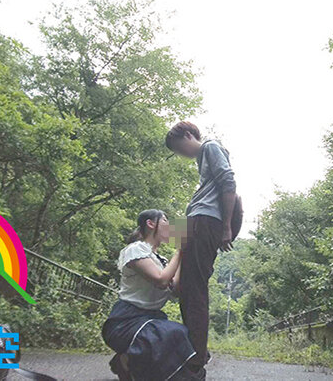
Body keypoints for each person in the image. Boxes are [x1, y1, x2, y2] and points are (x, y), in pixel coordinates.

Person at [165, 121, 240, 378]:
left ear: (188, 135)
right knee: (184, 288)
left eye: (178, 148)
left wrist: (226, 226)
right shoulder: (202, 162)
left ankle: (195, 362)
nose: (181, 153)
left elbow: (229, 182)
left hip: (203, 221)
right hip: (193, 220)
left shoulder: (210, 146)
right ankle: (193, 352)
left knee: (194, 290)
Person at [101, 209, 198, 381]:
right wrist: (179, 251)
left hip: (151, 319)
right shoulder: (135, 249)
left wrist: (184, 254)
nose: (170, 226)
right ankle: (125, 361)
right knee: (172, 333)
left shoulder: (162, 260)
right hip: (125, 321)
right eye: (165, 220)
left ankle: (127, 363)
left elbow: (175, 289)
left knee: (181, 333)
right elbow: (161, 280)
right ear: (151, 223)